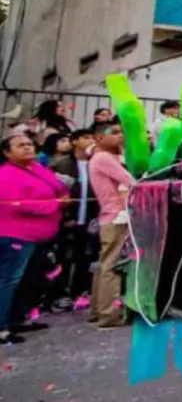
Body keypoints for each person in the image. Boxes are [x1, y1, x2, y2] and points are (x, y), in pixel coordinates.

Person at [0, 134, 69, 344]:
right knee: (8, 280)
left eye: (29, 144)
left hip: (39, 235)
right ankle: (1, 326)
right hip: (16, 234)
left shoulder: (37, 168)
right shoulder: (6, 174)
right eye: (21, 146)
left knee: (26, 279)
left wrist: (62, 197)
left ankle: (19, 317)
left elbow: (58, 187)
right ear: (7, 152)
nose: (28, 148)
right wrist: (55, 204)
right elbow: (18, 203)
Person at [87, 121, 133, 329]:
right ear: (99, 138)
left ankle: (99, 310)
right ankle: (109, 313)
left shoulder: (104, 157)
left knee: (105, 264)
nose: (119, 136)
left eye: (121, 132)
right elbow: (128, 180)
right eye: (113, 133)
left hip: (111, 215)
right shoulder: (103, 157)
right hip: (116, 215)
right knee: (112, 266)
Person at [49, 129, 99, 306]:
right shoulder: (64, 165)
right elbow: (57, 192)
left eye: (92, 137)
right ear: (74, 141)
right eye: (86, 137)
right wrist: (67, 215)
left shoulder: (96, 163)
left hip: (89, 218)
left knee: (84, 257)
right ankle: (60, 294)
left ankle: (81, 291)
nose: (90, 141)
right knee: (64, 258)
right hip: (69, 219)